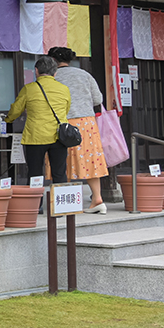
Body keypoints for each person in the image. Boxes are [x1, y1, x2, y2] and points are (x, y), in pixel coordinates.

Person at [49, 47, 110, 213]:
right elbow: (98, 99)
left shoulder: (52, 77)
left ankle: (66, 202)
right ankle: (97, 198)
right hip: (87, 122)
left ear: (52, 60)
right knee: (91, 161)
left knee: (63, 161)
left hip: (63, 122)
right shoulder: (84, 74)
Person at [8, 56, 73, 190]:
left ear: (36, 71)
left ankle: (36, 206)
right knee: (59, 173)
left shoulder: (29, 89)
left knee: (35, 173)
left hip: (35, 137)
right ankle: (60, 208)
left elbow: (16, 110)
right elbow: (66, 110)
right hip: (58, 136)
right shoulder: (64, 89)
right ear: (55, 73)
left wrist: (7, 120)